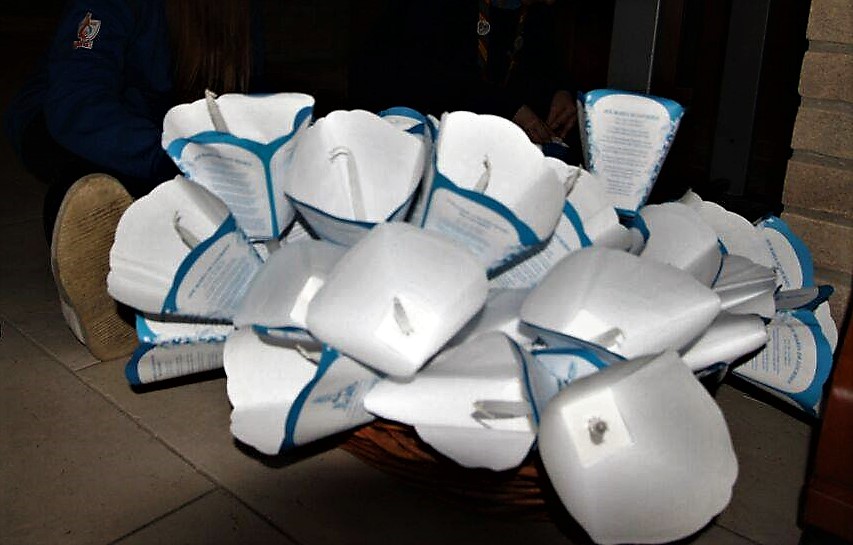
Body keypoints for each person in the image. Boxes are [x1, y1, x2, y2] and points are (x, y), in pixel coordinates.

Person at [3, 0, 264, 360]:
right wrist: (176, 158)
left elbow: (244, 104)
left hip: (163, 131)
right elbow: (77, 101)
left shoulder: (238, 13)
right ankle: (94, 279)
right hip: (68, 121)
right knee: (95, 183)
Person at [348, 0, 579, 155]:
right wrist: (510, 107)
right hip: (399, 137)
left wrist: (560, 90)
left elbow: (544, 65)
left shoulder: (534, 11)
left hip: (479, 145)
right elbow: (433, 76)